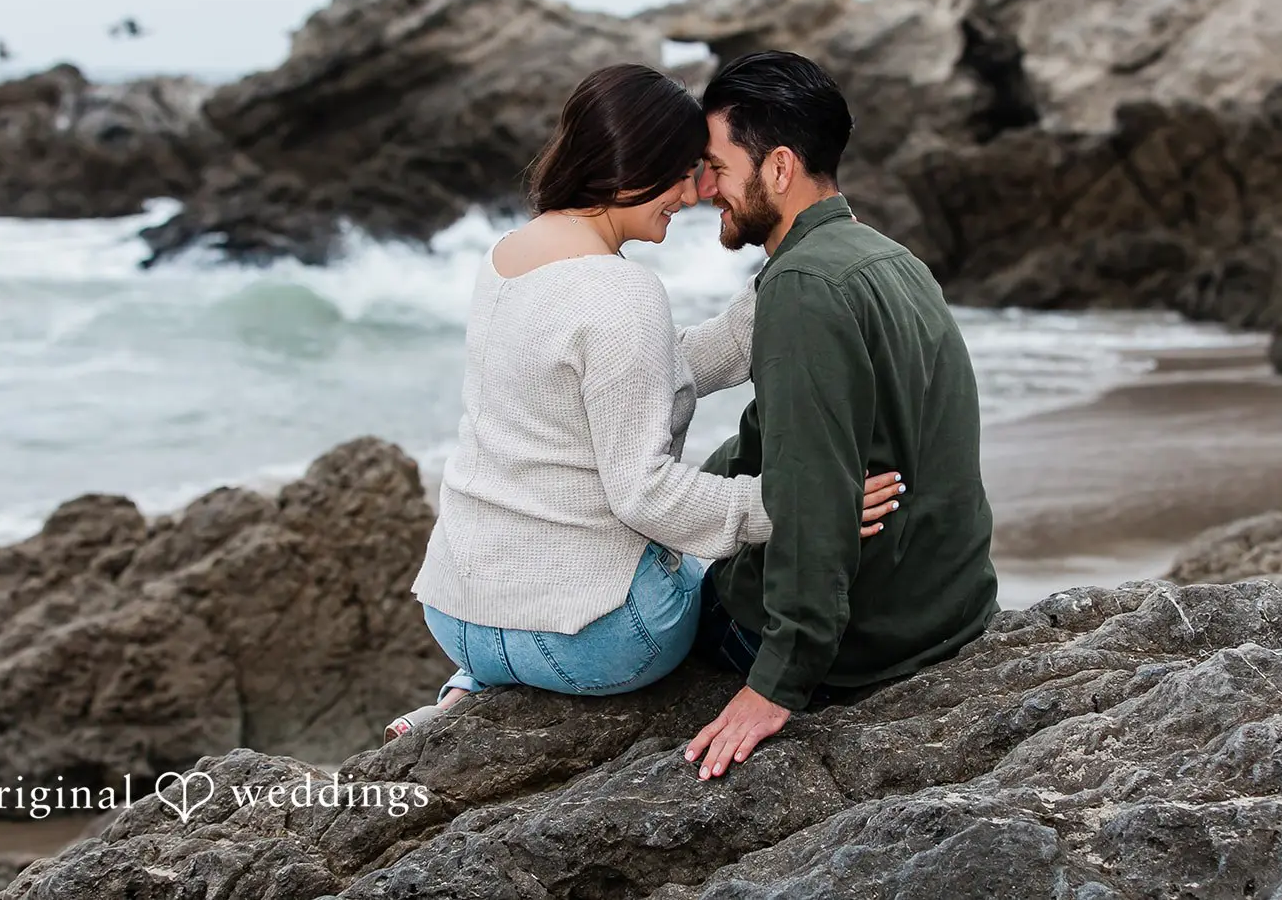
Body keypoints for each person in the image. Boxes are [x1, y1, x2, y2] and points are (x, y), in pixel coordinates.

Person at [387, 64, 901, 740]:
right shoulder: (621, 295)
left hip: (460, 617)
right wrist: (789, 504)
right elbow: (647, 495)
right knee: (712, 567)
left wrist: (782, 278)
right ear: (631, 169)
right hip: (589, 642)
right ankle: (491, 682)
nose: (691, 195)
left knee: (673, 531)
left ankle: (467, 692)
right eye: (682, 172)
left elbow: (635, 372)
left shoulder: (509, 256)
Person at [681, 51, 1000, 780]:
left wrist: (774, 682)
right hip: (950, 610)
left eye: (718, 168)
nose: (706, 192)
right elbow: (821, 450)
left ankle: (472, 680)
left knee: (642, 605)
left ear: (780, 167)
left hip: (866, 644)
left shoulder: (800, 289)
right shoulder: (891, 258)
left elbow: (815, 495)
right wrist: (717, 488)